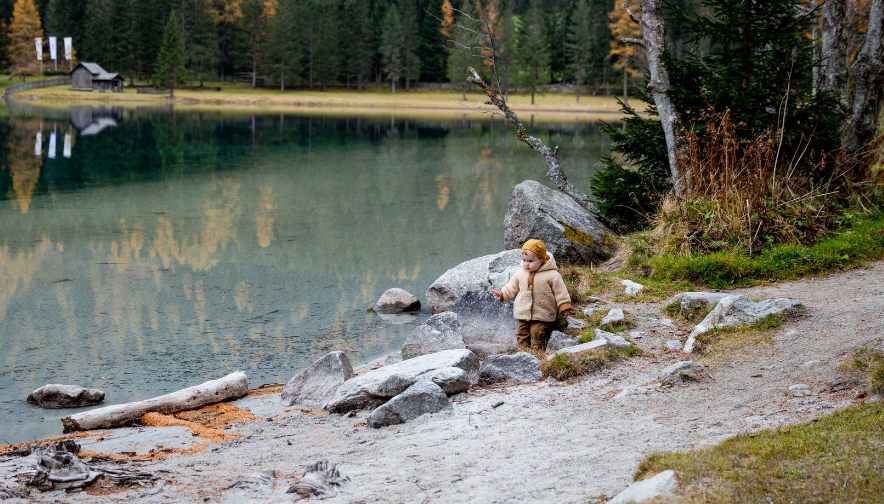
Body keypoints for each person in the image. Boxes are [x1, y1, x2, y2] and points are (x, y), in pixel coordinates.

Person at [491, 239, 572, 351]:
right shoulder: (520, 273)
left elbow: (560, 291)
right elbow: (511, 287)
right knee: (521, 332)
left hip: (542, 312)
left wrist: (564, 305)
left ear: (541, 259)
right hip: (523, 311)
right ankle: (522, 351)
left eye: (530, 261)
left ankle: (536, 352)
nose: (526, 264)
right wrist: (502, 294)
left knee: (537, 333)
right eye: (524, 260)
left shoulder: (552, 275)